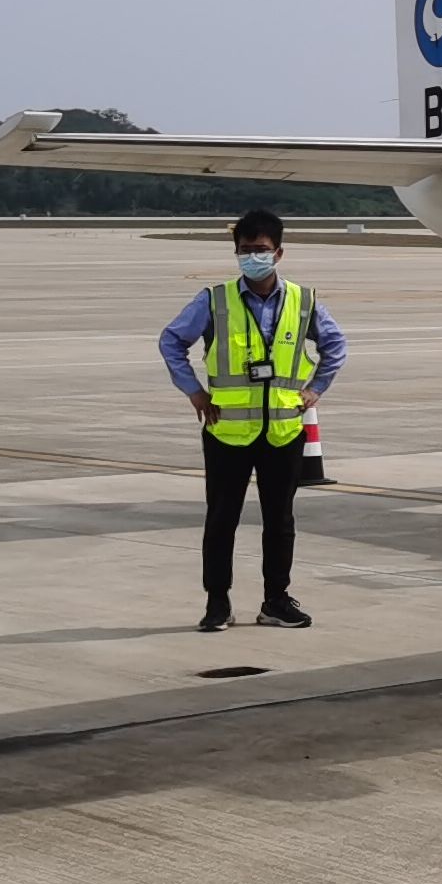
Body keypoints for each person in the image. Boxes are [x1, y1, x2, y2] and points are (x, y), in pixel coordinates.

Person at [157, 209, 346, 632]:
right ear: (236, 252)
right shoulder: (214, 300)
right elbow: (171, 340)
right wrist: (193, 390)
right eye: (245, 251)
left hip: (282, 430)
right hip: (228, 430)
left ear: (279, 253)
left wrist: (315, 389)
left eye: (260, 250)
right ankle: (217, 602)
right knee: (221, 520)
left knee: (280, 521)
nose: (252, 258)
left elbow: (336, 345)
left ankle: (276, 600)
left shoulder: (303, 301)